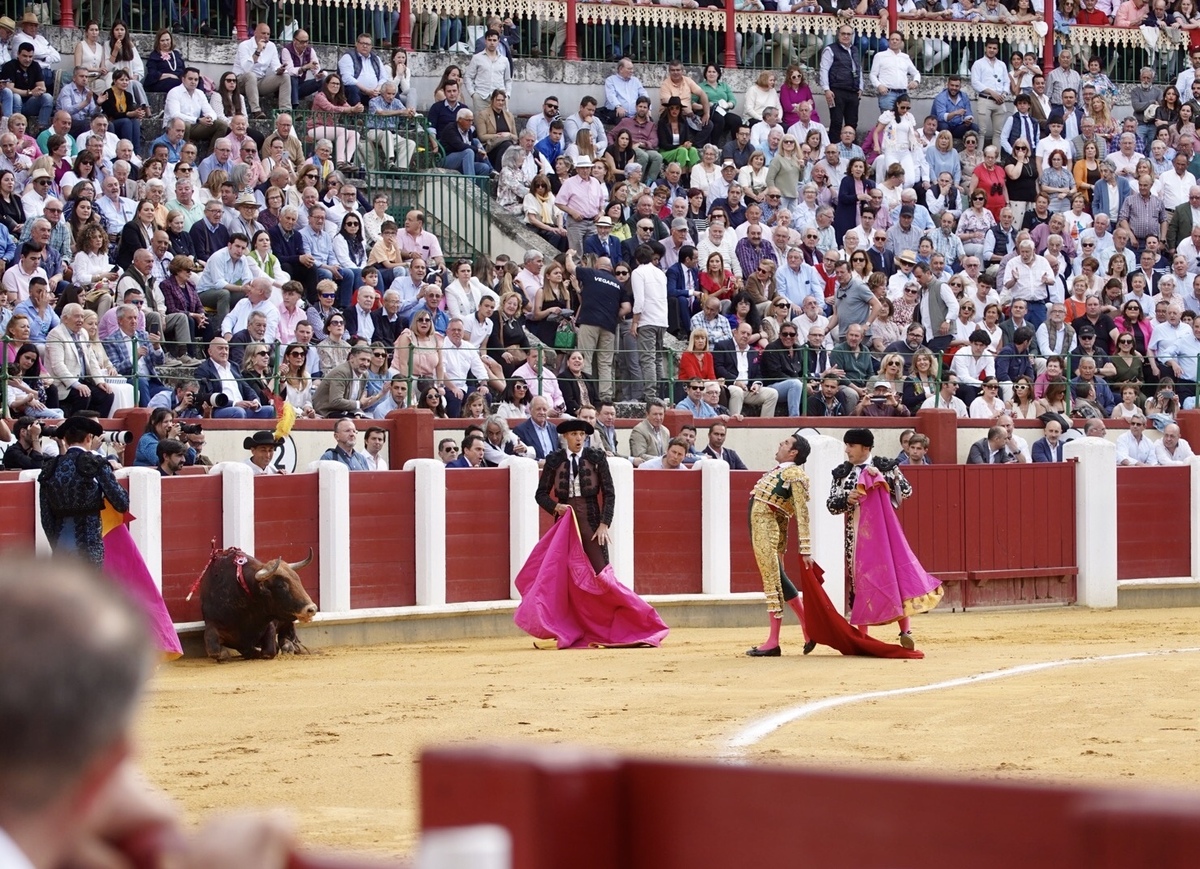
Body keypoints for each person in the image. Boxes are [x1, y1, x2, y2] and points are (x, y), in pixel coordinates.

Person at [826, 428, 943, 649]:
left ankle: (905, 631)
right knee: (860, 582)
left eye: (851, 446)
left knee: (894, 576)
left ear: (866, 448)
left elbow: (907, 491)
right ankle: (864, 636)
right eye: (847, 445)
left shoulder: (886, 466)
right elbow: (831, 505)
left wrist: (884, 483)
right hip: (855, 536)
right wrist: (847, 499)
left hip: (883, 535)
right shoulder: (841, 473)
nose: (847, 450)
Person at [745, 434, 815, 658]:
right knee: (779, 579)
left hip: (766, 530)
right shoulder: (780, 472)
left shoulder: (793, 472)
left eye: (785, 443)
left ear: (794, 452)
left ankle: (774, 641)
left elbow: (801, 512)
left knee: (773, 582)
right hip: (763, 529)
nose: (780, 444)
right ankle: (807, 630)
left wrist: (805, 548)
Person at [37, 415, 129, 566]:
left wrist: (56, 545)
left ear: (65, 440)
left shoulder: (49, 468)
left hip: (61, 546)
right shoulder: (95, 463)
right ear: (89, 438)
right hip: (89, 547)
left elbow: (46, 518)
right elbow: (121, 503)